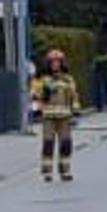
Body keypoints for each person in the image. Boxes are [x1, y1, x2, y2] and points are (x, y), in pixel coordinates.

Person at [32, 50, 81, 182]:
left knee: (66, 144)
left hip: (65, 117)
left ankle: (65, 171)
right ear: (48, 63)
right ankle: (47, 173)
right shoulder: (42, 79)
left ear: (62, 63)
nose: (55, 64)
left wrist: (76, 111)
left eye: (58, 62)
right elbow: (36, 96)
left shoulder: (68, 79)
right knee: (48, 143)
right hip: (48, 117)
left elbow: (74, 96)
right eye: (53, 62)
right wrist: (37, 110)